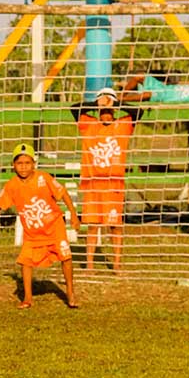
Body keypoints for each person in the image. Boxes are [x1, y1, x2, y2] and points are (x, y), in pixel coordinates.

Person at [0, 143, 81, 309]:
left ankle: (70, 293)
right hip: (33, 232)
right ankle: (28, 298)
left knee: (66, 257)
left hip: (54, 226)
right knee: (25, 262)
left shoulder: (44, 178)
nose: (23, 167)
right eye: (19, 163)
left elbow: (63, 193)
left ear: (33, 164)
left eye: (27, 163)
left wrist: (73, 214)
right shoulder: (12, 185)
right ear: (13, 165)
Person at [71, 87, 143, 272]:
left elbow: (139, 111)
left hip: (113, 185)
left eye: (109, 110)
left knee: (115, 225)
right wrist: (98, 103)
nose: (106, 113)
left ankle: (117, 263)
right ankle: (89, 264)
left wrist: (114, 102)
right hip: (92, 184)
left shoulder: (123, 125)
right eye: (102, 110)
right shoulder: (89, 124)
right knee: (93, 225)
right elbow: (74, 108)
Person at [118, 72, 189, 104]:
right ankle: (121, 96)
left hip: (165, 96)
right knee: (139, 76)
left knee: (148, 95)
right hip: (164, 87)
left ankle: (122, 99)